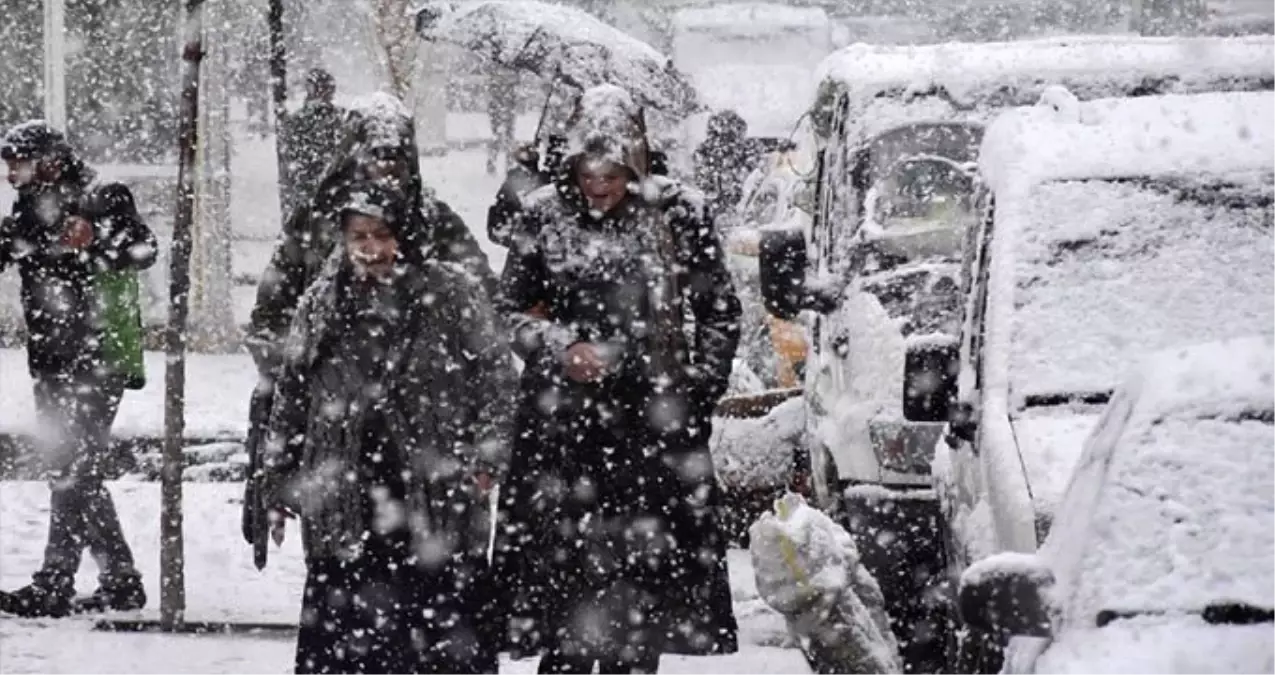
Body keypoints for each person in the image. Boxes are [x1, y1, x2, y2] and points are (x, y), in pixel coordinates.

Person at [493, 84, 742, 675]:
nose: (599, 184)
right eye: (588, 170)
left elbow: (719, 312)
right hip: (561, 431)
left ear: (636, 161)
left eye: (612, 171)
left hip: (652, 432)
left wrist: (695, 393)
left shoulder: (679, 211)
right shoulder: (544, 214)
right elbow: (505, 311)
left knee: (641, 605)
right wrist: (560, 346)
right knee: (564, 604)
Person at [263, 181, 515, 674]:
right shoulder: (320, 302)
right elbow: (292, 393)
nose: (371, 248)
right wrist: (278, 479)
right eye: (359, 235)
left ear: (405, 235)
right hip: (344, 492)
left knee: (439, 630)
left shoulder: (451, 292)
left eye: (382, 234)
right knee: (350, 636)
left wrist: (486, 456)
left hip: (435, 490)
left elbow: (497, 375)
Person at [0, 121, 157, 617]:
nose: (9, 175)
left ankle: (55, 583)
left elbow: (143, 250)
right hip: (50, 360)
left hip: (99, 358)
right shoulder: (29, 207)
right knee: (72, 470)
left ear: (48, 160)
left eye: (17, 164)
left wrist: (95, 240)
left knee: (73, 470)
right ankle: (121, 581)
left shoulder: (103, 195)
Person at [279, 68, 346, 218]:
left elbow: (289, 155)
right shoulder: (341, 118)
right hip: (326, 188)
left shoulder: (297, 119)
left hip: (310, 187)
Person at [692, 109, 758, 219]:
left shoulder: (747, 152)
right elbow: (702, 184)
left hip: (734, 208)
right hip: (717, 210)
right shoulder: (704, 153)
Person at [487, 67, 520, 174]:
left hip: (505, 106)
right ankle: (497, 162)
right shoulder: (507, 67)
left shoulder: (512, 68)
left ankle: (504, 163)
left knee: (505, 136)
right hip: (501, 106)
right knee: (500, 135)